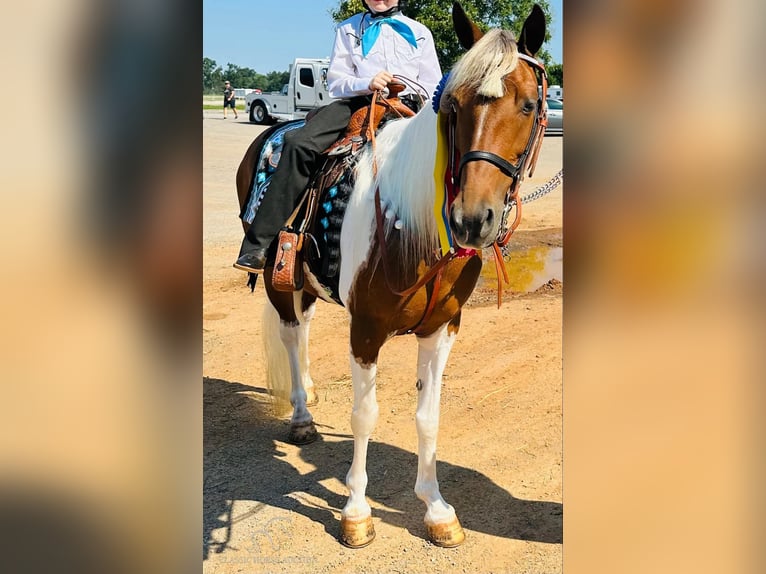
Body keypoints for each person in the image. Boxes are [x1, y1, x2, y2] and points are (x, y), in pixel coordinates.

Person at [234, 0, 442, 273]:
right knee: (298, 144)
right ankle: (259, 244)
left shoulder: (419, 32)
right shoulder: (348, 29)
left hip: (410, 107)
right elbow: (336, 81)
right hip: (358, 103)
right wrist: (366, 83)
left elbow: (433, 83)